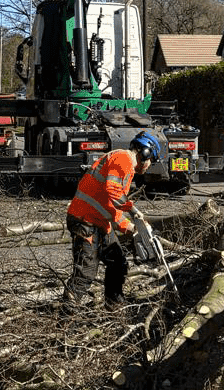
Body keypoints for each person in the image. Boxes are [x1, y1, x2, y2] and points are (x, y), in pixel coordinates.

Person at [62, 130, 161, 311]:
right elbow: (114, 192)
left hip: (99, 222)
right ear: (145, 153)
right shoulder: (123, 159)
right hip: (84, 221)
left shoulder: (127, 169)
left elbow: (112, 207)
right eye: (151, 160)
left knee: (118, 263)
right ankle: (66, 317)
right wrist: (134, 210)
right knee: (85, 272)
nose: (149, 165)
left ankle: (114, 309)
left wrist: (132, 228)